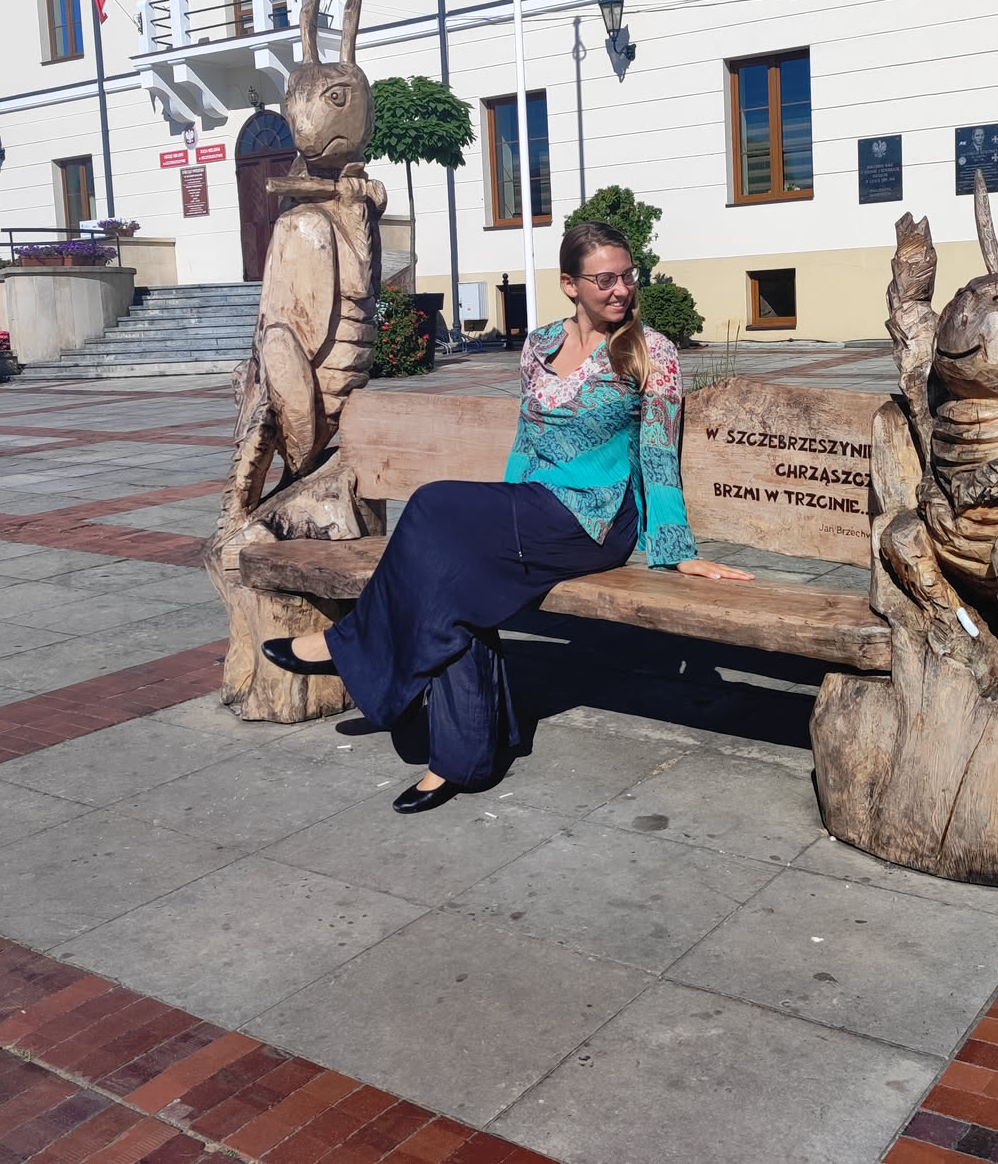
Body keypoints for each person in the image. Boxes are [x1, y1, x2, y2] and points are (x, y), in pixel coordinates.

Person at [263, 221, 752, 813]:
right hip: (533, 510)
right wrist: (499, 519)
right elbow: (527, 438)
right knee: (452, 584)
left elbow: (657, 452)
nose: (621, 289)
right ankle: (461, 759)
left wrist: (676, 551)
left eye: (627, 276)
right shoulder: (539, 344)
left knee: (432, 505)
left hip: (594, 521)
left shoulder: (652, 352)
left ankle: (350, 649)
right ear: (570, 284)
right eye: (604, 280)